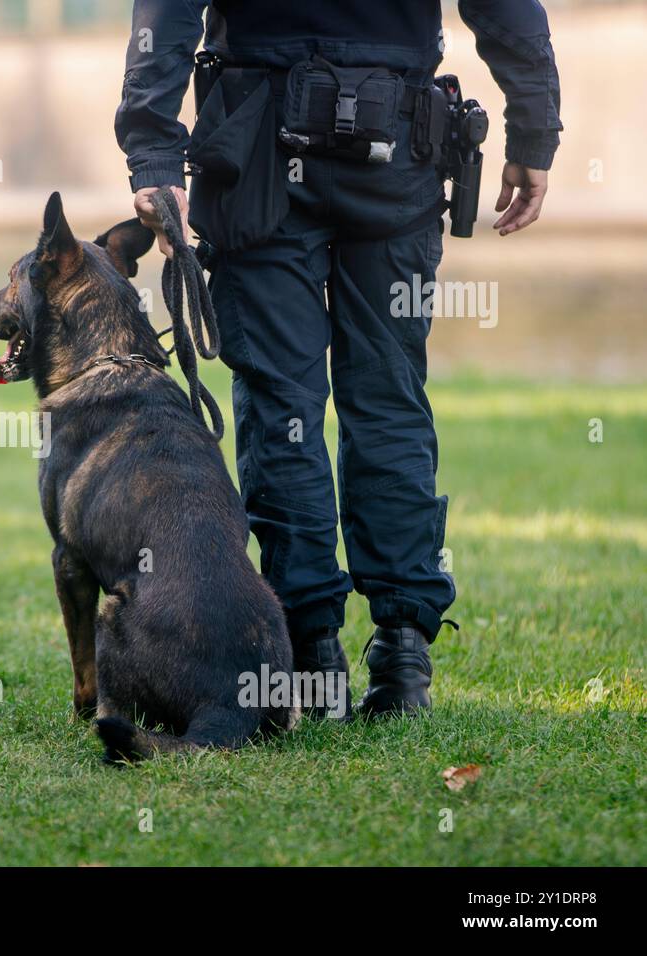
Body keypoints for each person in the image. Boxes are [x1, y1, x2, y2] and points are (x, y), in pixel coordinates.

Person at [115, 0, 562, 718]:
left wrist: (155, 153)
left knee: (280, 405)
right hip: (393, 150)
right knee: (386, 399)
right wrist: (534, 131)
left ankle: (312, 652)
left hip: (259, 150)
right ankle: (402, 653)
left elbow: (164, 15)